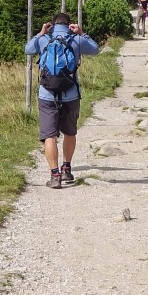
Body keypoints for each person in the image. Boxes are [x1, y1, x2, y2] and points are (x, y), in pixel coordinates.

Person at [26, 12, 102, 187]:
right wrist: (82, 33)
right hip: (71, 93)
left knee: (49, 135)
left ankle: (55, 176)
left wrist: (40, 33)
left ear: (52, 25)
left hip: (47, 94)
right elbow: (96, 49)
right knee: (69, 132)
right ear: (69, 25)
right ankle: (67, 169)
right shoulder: (77, 40)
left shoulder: (45, 40)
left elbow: (28, 49)